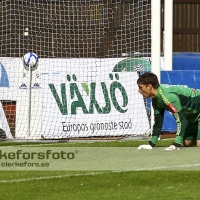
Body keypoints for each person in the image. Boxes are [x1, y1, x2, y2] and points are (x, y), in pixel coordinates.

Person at [137, 72, 200, 150]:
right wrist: (152, 144)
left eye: (140, 87)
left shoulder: (167, 97)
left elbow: (181, 120)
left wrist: (176, 143)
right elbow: (158, 122)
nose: (138, 90)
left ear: (149, 86)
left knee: (199, 145)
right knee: (187, 142)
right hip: (192, 118)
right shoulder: (155, 99)